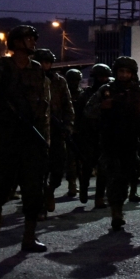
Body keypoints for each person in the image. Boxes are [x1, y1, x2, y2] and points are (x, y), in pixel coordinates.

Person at [0, 24, 50, 252]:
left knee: (33, 189)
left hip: (30, 138)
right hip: (5, 137)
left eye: (33, 39)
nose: (33, 42)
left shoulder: (37, 70)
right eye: (29, 39)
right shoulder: (2, 68)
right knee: (0, 186)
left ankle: (29, 237)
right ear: (16, 42)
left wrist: (46, 138)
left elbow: (43, 107)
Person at [86, 56, 140, 231]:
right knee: (114, 176)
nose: (124, 75)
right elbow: (88, 111)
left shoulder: (138, 92)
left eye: (127, 72)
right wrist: (102, 106)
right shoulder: (106, 90)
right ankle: (116, 212)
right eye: (121, 71)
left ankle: (119, 206)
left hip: (131, 141)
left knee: (128, 175)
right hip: (110, 141)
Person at [34, 49, 74, 218]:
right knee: (38, 170)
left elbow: (68, 106)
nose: (45, 66)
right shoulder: (29, 79)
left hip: (56, 130)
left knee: (58, 169)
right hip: (36, 130)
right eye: (42, 62)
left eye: (48, 62)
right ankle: (40, 205)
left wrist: (68, 126)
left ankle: (50, 190)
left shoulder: (59, 81)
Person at [75, 63, 111, 209]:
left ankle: (99, 197)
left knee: (103, 168)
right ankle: (83, 189)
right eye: (100, 77)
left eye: (105, 77)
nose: (103, 79)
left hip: (104, 134)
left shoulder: (110, 93)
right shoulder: (85, 95)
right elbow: (79, 116)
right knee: (87, 166)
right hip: (88, 135)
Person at [64, 68, 83, 197]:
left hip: (80, 130)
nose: (74, 83)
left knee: (80, 159)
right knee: (70, 160)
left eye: (76, 80)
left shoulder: (82, 94)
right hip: (67, 130)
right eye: (72, 80)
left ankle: (79, 184)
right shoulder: (64, 94)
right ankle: (72, 184)